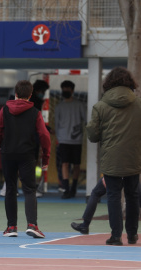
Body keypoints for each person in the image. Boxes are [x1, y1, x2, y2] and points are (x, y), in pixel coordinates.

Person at [86, 67, 141, 246]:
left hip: (111, 157)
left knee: (113, 195)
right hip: (134, 156)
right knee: (133, 195)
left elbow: (93, 136)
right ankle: (132, 234)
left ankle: (116, 236)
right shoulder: (138, 104)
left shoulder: (100, 106)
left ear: (108, 83)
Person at [0, 80, 51, 238]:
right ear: (30, 95)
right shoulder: (35, 112)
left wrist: (1, 147)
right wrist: (45, 157)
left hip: (8, 153)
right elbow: (44, 136)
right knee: (29, 189)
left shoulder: (5, 109)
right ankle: (32, 224)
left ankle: (11, 227)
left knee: (10, 188)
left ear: (16, 94)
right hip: (27, 154)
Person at [55, 80, 86, 199]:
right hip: (63, 140)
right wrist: (59, 138)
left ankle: (73, 187)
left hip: (76, 140)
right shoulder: (59, 106)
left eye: (68, 89)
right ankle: (66, 189)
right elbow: (57, 124)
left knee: (76, 164)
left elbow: (86, 120)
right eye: (64, 89)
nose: (65, 91)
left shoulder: (80, 105)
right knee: (65, 163)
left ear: (72, 91)